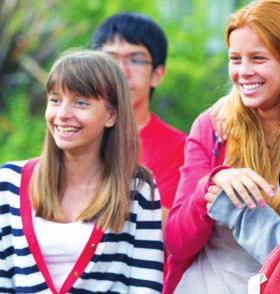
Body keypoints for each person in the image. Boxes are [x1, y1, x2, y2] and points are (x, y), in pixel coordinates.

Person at [164, 1, 280, 293]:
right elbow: (177, 243)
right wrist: (211, 185)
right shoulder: (213, 127)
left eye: (258, 59)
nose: (243, 72)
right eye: (235, 59)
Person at [0, 50, 164, 293]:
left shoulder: (137, 190)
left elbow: (145, 287)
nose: (63, 114)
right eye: (55, 100)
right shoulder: (9, 182)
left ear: (111, 115)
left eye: (81, 103)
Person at [91, 12, 187, 217]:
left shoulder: (181, 150)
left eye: (135, 60)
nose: (120, 71)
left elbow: (171, 233)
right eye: (109, 59)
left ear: (156, 75)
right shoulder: (74, 134)